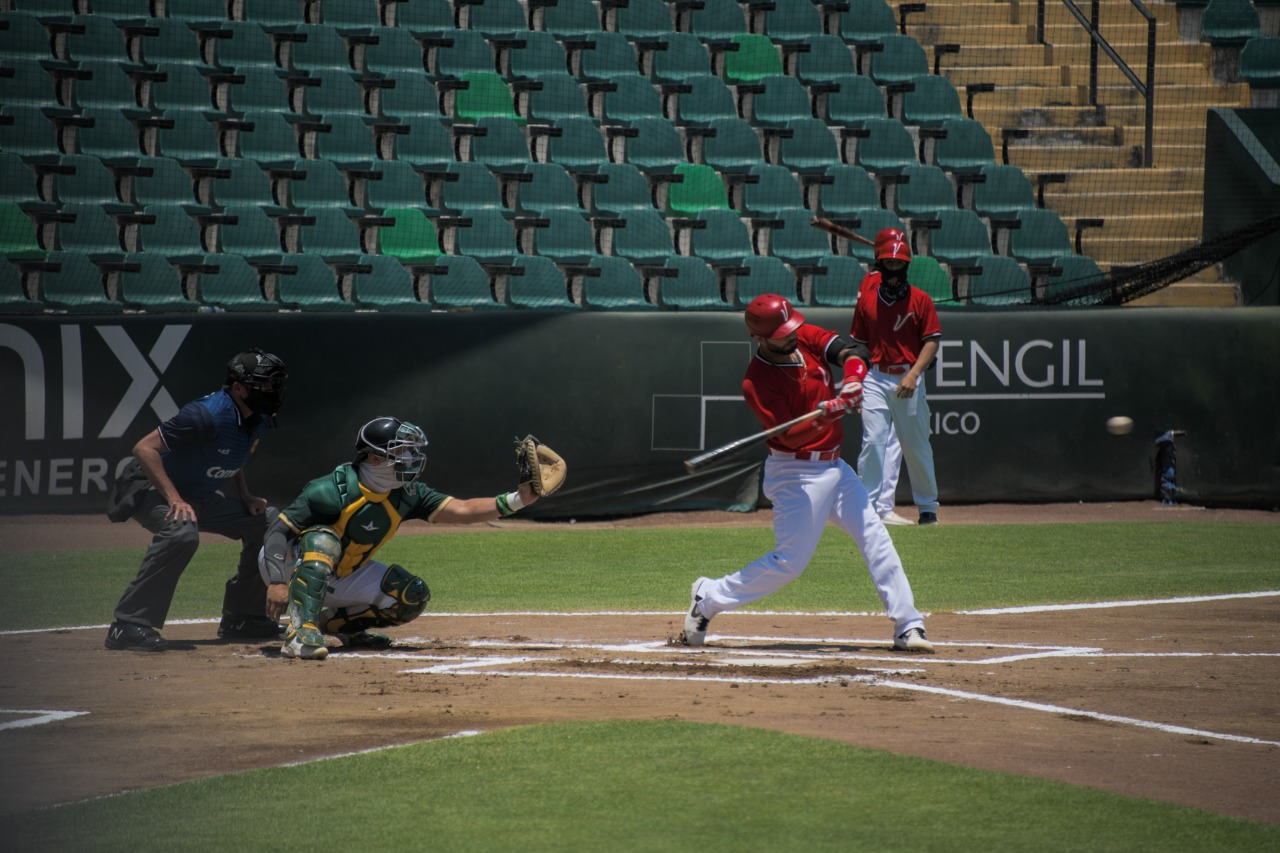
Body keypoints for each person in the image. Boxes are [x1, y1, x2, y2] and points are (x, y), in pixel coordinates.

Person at [680, 294, 933, 653]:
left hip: (835, 467)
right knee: (789, 564)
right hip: (795, 474)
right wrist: (828, 412)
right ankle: (708, 598)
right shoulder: (757, 381)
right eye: (782, 333)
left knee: (875, 537)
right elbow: (790, 434)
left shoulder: (803, 336)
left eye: (791, 326)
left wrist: (852, 383)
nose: (792, 334)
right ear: (761, 338)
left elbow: (853, 352)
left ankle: (909, 625)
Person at [260, 416, 544, 660]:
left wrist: (520, 499)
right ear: (374, 457)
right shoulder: (331, 490)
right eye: (402, 451)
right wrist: (276, 581)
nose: (411, 458)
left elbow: (463, 509)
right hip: (287, 563)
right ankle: (300, 632)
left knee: (411, 595)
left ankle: (336, 625)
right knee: (323, 539)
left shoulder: (407, 493)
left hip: (343, 572)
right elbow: (278, 531)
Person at [105, 348, 289, 651]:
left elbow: (234, 454)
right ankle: (127, 625)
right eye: (266, 383)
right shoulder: (207, 415)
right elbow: (143, 449)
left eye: (275, 383)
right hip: (148, 489)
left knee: (269, 521)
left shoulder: (256, 417)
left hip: (199, 496)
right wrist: (175, 498)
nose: (273, 390)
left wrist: (245, 495)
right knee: (181, 531)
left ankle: (242, 617)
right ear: (240, 388)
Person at [852, 230, 943, 526]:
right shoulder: (866, 300)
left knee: (915, 445)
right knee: (874, 441)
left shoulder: (921, 300)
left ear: (906, 265)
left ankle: (927, 508)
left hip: (908, 377)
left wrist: (914, 374)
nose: (894, 270)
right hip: (876, 377)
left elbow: (931, 341)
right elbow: (861, 343)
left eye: (898, 264)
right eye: (888, 264)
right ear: (879, 264)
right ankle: (866, 508)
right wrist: (857, 378)